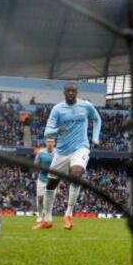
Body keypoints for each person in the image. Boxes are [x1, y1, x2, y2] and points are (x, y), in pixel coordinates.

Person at [41, 81, 102, 231]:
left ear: (77, 92)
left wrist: (95, 138)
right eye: (68, 91)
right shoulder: (57, 109)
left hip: (80, 148)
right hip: (61, 151)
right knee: (51, 185)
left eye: (73, 91)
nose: (70, 93)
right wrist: (56, 131)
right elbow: (47, 132)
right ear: (64, 92)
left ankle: (68, 214)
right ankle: (47, 218)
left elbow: (97, 118)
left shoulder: (85, 106)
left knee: (77, 173)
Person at [32, 138, 56, 227]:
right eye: (48, 141)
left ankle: (49, 218)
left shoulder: (58, 153)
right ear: (46, 143)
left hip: (53, 179)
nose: (50, 143)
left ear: (54, 143)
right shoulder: (41, 153)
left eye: (52, 142)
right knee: (40, 199)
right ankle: (40, 216)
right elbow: (35, 165)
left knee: (50, 200)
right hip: (42, 179)